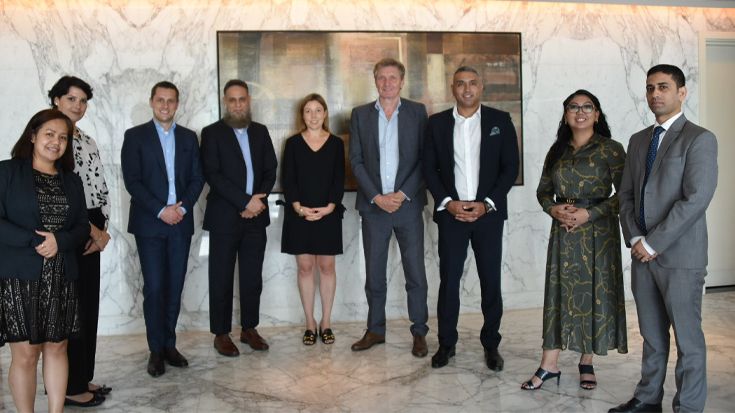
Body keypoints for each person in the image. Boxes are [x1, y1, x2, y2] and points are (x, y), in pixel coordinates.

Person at [610, 65, 718, 413]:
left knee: (688, 339)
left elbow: (696, 199)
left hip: (680, 258)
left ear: (681, 93)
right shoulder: (638, 140)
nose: (655, 94)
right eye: (650, 88)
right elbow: (626, 195)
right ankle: (647, 398)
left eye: (663, 87)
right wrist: (636, 238)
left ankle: (688, 407)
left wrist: (653, 243)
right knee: (652, 336)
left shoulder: (699, 139)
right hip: (642, 254)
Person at [522, 90, 627, 391]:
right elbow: (543, 191)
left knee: (593, 292)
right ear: (566, 114)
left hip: (598, 233)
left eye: (587, 107)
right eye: (573, 107)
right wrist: (553, 209)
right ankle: (549, 364)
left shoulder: (611, 149)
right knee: (559, 293)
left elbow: (625, 194)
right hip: (563, 231)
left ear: (597, 114)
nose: (580, 112)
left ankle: (587, 361)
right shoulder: (557, 150)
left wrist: (589, 214)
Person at [423, 66, 519, 370]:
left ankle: (491, 345)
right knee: (449, 281)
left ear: (481, 87)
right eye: (461, 84)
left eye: (472, 83)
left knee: (491, 281)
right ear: (452, 88)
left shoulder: (500, 121)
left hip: (488, 215)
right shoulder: (437, 123)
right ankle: (446, 344)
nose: (467, 89)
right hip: (451, 215)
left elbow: (510, 167)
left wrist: (487, 204)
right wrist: (448, 203)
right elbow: (429, 169)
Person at [0, 108, 90, 413]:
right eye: (49, 134)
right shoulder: (7, 172)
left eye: (63, 137)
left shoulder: (72, 181)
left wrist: (59, 241)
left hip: (61, 275)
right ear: (33, 135)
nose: (56, 142)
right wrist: (36, 240)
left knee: (58, 347)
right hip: (19, 277)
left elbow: (81, 226)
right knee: (26, 354)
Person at [121, 81, 205, 377]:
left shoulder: (189, 137)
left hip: (180, 222)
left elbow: (197, 178)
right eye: (160, 100)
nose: (165, 105)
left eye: (171, 100)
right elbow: (132, 181)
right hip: (150, 223)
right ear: (152, 102)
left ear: (177, 104)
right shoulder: (135, 136)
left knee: (175, 286)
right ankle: (155, 350)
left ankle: (170, 344)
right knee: (155, 287)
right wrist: (161, 210)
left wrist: (181, 209)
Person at [349, 57, 430, 357]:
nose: (387, 83)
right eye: (381, 77)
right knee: (374, 274)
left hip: (408, 206)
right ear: (375, 81)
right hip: (374, 208)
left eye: (392, 77)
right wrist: (377, 196)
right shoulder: (360, 115)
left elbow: (425, 159)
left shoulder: (417, 112)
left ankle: (419, 331)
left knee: (415, 273)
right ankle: (375, 330)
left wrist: (403, 193)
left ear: (402, 81)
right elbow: (356, 160)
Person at [201, 79, 277, 357]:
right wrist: (244, 201)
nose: (237, 105)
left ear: (248, 101)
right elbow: (213, 174)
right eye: (231, 100)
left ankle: (249, 329)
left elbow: (270, 169)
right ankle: (221, 334)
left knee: (252, 277)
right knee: (220, 277)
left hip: (256, 217)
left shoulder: (260, 131)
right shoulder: (212, 133)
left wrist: (257, 201)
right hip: (224, 217)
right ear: (225, 102)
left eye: (241, 99)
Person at [48, 75, 111, 407]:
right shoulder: (51, 138)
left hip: (93, 227)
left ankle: (82, 376)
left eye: (83, 101)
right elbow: (58, 193)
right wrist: (90, 230)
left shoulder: (86, 139)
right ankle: (69, 386)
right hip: (70, 228)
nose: (78, 105)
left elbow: (100, 188)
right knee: (70, 310)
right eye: (71, 98)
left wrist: (104, 229)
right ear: (57, 100)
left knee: (88, 307)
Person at [281, 93, 345, 345]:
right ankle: (310, 323)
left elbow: (338, 178)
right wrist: (299, 208)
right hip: (300, 214)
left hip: (328, 214)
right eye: (308, 111)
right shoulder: (293, 144)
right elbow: (288, 179)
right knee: (305, 267)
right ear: (302, 115)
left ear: (325, 113)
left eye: (318, 110)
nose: (313, 115)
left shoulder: (336, 143)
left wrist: (329, 207)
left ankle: (326, 322)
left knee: (327, 267)